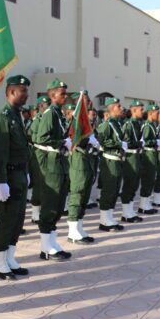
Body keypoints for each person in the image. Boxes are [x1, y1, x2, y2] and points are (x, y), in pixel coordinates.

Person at [0, 75, 32, 279]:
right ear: (12, 92)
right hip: (9, 175)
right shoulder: (2, 116)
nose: (27, 94)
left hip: (19, 173)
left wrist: (26, 172)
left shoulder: (16, 115)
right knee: (6, 219)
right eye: (23, 90)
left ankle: (10, 258)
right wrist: (1, 181)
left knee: (18, 218)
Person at [33, 79, 73, 261]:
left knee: (58, 206)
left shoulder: (58, 113)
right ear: (52, 95)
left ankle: (53, 243)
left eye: (65, 93)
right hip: (51, 165)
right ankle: (45, 248)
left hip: (60, 162)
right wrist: (62, 142)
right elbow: (41, 138)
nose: (65, 96)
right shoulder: (50, 113)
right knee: (50, 205)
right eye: (62, 94)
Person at [65, 91, 98, 244]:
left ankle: (79, 227)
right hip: (78, 157)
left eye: (88, 100)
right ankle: (72, 231)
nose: (88, 102)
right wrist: (87, 140)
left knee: (85, 192)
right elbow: (71, 137)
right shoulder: (74, 118)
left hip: (87, 158)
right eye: (85, 99)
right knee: (78, 192)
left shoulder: (86, 119)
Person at [95, 97, 127, 231]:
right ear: (112, 108)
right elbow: (101, 141)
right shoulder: (106, 125)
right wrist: (119, 144)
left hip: (117, 160)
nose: (122, 108)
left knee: (115, 190)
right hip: (109, 161)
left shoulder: (116, 123)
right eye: (119, 106)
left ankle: (109, 217)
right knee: (108, 190)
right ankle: (104, 221)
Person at [120, 100, 145, 223]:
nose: (143, 111)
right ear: (134, 110)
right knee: (129, 184)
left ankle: (130, 210)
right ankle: (126, 213)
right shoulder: (128, 124)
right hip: (130, 157)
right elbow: (126, 142)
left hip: (136, 156)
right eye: (141, 109)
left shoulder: (137, 123)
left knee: (134, 184)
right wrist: (139, 143)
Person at [29, 95, 50, 223]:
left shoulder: (49, 117)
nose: (48, 106)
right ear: (41, 106)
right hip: (39, 154)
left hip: (47, 153)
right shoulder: (38, 119)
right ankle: (35, 213)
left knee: (46, 182)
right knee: (38, 183)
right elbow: (34, 137)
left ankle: (42, 209)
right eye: (46, 104)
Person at [138, 104, 160, 214]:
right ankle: (143, 205)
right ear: (150, 113)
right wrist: (156, 142)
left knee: (151, 178)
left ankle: (146, 203)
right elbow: (145, 141)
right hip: (147, 153)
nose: (158, 115)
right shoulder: (147, 125)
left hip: (152, 152)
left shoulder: (152, 125)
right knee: (147, 179)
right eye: (157, 113)